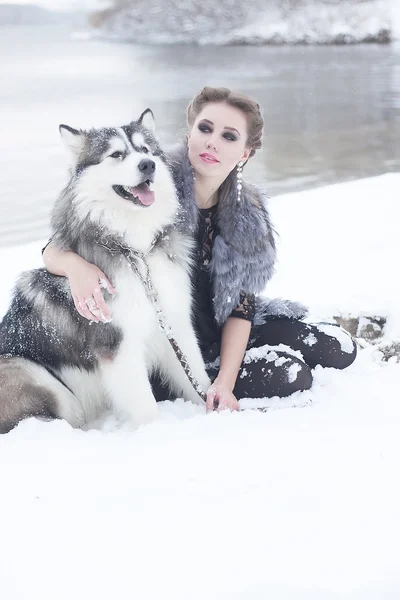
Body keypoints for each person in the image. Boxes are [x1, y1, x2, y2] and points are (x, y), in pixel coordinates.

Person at [42, 86, 357, 413]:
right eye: (205, 129)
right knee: (292, 374)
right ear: (189, 133)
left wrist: (227, 377)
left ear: (245, 152)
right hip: (169, 348)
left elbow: (241, 306)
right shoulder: (149, 188)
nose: (212, 142)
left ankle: (229, 365)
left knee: (338, 349)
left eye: (229, 137)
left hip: (219, 328)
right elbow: (70, 239)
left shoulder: (246, 211)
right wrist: (74, 266)